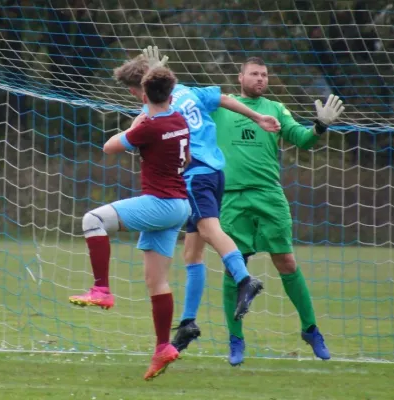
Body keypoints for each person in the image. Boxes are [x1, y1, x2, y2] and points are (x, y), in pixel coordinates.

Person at [111, 47, 282, 354]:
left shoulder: (159, 109)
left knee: (208, 228)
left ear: (143, 90)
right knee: (192, 253)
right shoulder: (188, 90)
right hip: (215, 170)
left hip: (195, 174)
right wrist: (257, 116)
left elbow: (137, 130)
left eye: (136, 91)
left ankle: (244, 279)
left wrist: (148, 97)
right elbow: (224, 99)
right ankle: (188, 322)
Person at [212, 57, 345, 365]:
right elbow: (179, 105)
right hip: (232, 198)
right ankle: (236, 340)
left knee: (286, 261)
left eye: (264, 74)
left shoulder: (276, 109)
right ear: (240, 76)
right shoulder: (220, 106)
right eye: (254, 73)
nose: (260, 78)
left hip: (269, 195)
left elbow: (302, 139)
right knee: (235, 267)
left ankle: (311, 330)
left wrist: (320, 126)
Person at [69, 67, 191, 380]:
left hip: (160, 204)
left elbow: (109, 147)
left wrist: (136, 124)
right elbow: (186, 161)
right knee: (156, 282)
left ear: (145, 94)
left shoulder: (148, 126)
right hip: (179, 205)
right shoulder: (179, 121)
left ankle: (101, 289)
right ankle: (163, 347)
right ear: (171, 93)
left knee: (92, 220)